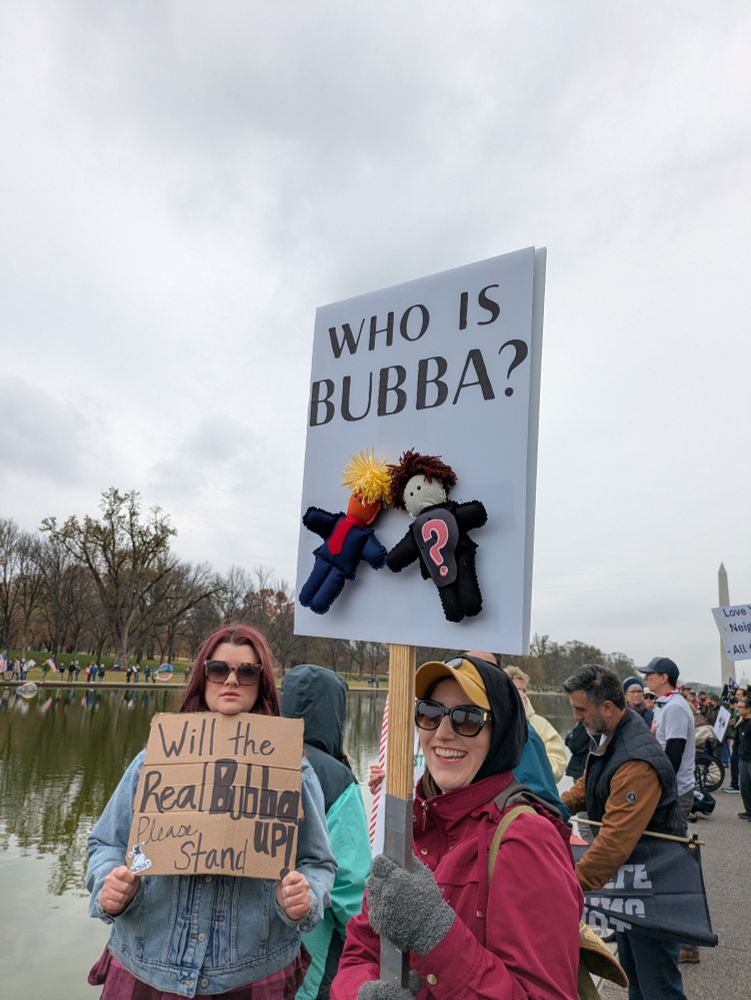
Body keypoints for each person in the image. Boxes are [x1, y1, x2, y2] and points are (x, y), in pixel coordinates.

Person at [86, 623, 337, 999]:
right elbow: (105, 843)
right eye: (219, 669)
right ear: (203, 677)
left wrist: (306, 899)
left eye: (247, 671)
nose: (231, 680)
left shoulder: (293, 771)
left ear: (263, 682)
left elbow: (318, 863)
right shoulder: (152, 760)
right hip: (146, 965)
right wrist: (109, 886)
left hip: (251, 974)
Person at [332, 655, 583, 1000]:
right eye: (430, 714)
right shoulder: (409, 827)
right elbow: (360, 949)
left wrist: (436, 935)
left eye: (468, 719)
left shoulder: (526, 838)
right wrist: (360, 992)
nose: (443, 733)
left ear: (500, 732)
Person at [561, 664, 687, 1000]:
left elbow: (614, 843)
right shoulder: (610, 735)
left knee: (658, 983)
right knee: (634, 975)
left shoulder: (636, 762)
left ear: (606, 708)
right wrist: (553, 808)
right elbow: (589, 783)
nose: (576, 717)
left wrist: (566, 888)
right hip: (635, 879)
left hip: (656, 881)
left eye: (580, 709)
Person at [281, 664, 371, 999]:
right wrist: (372, 950)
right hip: (311, 966)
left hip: (253, 968)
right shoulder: (337, 779)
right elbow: (349, 883)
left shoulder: (254, 759)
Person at [503, 665, 567, 780]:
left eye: (524, 690)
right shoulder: (492, 722)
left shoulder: (541, 725)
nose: (522, 694)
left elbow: (558, 762)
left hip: (532, 793)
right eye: (516, 689)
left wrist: (532, 774)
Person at [732, 694, 751, 821]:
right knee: (744, 787)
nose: (737, 709)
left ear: (748, 708)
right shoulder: (741, 721)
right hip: (743, 759)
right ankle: (749, 811)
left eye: (740, 707)